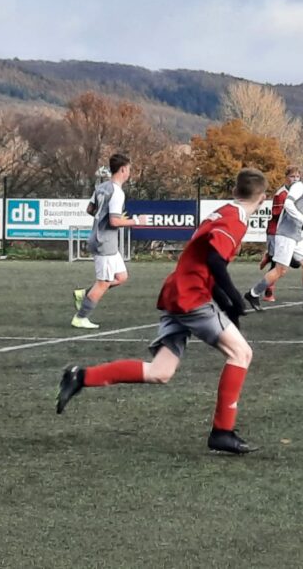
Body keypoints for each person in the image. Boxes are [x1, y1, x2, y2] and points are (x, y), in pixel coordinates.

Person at [55, 168, 268, 454]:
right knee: (241, 353)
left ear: (234, 191)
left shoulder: (222, 211)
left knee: (160, 372)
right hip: (191, 296)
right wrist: (233, 300)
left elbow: (208, 263)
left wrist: (228, 305)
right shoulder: (236, 219)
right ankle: (222, 431)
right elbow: (216, 262)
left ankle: (80, 376)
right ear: (263, 199)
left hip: (178, 293)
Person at [71, 154, 138, 329]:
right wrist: (137, 221)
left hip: (103, 239)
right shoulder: (117, 192)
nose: (129, 173)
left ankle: (83, 295)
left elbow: (90, 209)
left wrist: (102, 217)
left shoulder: (101, 187)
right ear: (123, 169)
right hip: (104, 242)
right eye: (129, 169)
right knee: (103, 282)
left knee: (121, 277)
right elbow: (115, 222)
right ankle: (80, 317)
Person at [246, 162, 303, 312]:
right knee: (281, 270)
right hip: (286, 235)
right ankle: (253, 294)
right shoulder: (299, 187)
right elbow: (288, 204)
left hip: (296, 236)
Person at [257, 165, 302, 302]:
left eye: (297, 177)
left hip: (289, 234)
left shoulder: (298, 192)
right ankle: (268, 293)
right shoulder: (281, 194)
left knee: (295, 263)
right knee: (278, 265)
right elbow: (276, 214)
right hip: (276, 233)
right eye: (292, 176)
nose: (295, 179)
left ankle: (269, 256)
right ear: (286, 178)